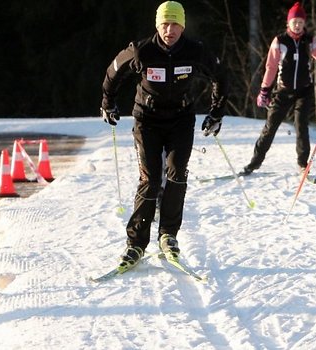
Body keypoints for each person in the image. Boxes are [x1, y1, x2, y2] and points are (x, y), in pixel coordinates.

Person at [100, 1, 228, 270]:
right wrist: (107, 102)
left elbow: (220, 76)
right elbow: (113, 73)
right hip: (147, 120)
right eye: (164, 24)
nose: (169, 30)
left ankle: (168, 234)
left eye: (175, 24)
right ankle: (135, 243)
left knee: (177, 172)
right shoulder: (142, 50)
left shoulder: (195, 51)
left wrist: (216, 112)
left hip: (181, 120)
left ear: (182, 26)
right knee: (150, 178)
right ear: (157, 25)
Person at [239, 2, 316, 176]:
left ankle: (302, 164)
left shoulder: (309, 40)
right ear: (288, 23)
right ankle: (254, 163)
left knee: (301, 126)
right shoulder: (280, 41)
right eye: (294, 21)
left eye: (300, 22)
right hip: (283, 90)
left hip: (303, 91)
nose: (297, 25)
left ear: (304, 24)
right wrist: (264, 90)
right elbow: (271, 66)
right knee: (270, 127)